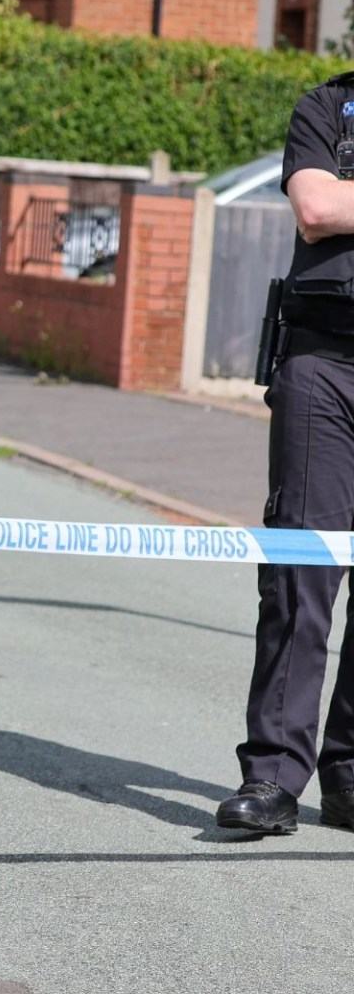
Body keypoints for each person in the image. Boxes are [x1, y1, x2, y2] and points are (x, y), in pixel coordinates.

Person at [218, 70, 354, 836]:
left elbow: (341, 202)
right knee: (301, 573)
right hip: (324, 365)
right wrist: (337, 202)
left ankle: (349, 776)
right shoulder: (328, 108)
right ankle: (272, 779)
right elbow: (315, 207)